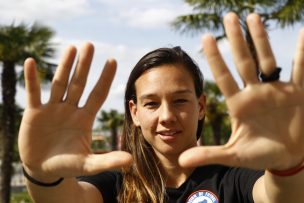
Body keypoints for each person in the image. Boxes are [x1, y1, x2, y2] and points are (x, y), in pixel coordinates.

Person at [18, 12, 304, 203]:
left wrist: (289, 166)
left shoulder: (234, 176)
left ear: (201, 106)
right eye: (151, 103)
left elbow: (280, 196)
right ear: (134, 112)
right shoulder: (115, 182)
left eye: (180, 100)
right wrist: (42, 176)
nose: (167, 116)